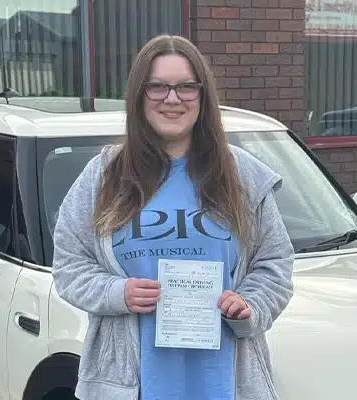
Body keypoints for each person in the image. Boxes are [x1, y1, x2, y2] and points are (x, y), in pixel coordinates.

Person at [52, 34, 295, 400]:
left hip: (225, 385)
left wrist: (250, 305)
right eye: (157, 87)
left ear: (202, 96)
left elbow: (274, 265)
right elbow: (69, 266)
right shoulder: (103, 177)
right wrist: (118, 293)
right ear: (139, 96)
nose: (172, 98)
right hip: (131, 386)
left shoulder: (243, 176)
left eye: (185, 87)